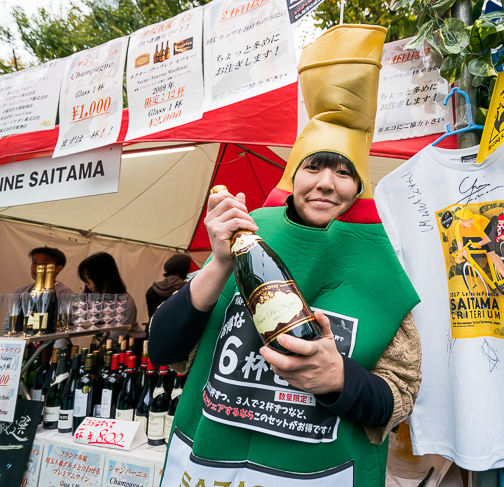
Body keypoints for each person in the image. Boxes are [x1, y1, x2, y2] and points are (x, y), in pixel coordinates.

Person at [149, 25, 421, 487]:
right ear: (293, 174)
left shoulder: (380, 265)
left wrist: (339, 378)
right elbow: (164, 349)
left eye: (343, 172)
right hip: (211, 468)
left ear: (358, 186)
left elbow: (400, 395)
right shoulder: (243, 236)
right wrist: (217, 263)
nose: (326, 183)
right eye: (313, 166)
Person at [1, 246, 73, 334]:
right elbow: (9, 324)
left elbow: (62, 327)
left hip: (48, 342)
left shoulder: (64, 293)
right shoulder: (21, 292)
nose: (37, 267)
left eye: (44, 263)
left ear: (57, 268)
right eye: (34, 263)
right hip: (20, 342)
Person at [77, 251, 143, 339]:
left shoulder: (125, 302)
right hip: (109, 343)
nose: (85, 283)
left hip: (129, 345)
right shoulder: (96, 298)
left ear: (101, 276)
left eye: (88, 277)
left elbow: (114, 335)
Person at [145, 253, 191, 319]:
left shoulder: (152, 290)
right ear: (183, 271)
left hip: (154, 328)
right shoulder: (186, 290)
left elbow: (152, 315)